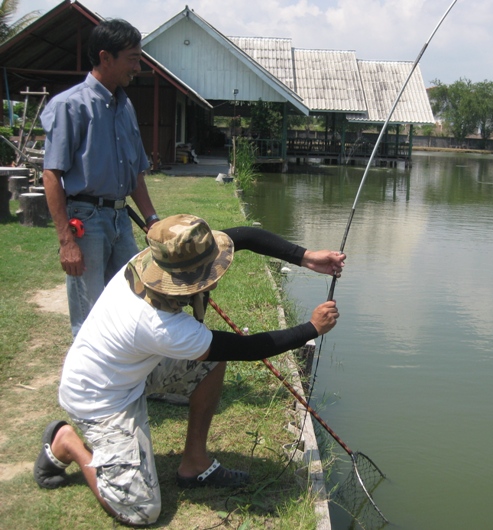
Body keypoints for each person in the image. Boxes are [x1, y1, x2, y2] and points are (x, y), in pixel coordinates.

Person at [33, 214, 345, 525]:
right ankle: (66, 442)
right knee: (141, 511)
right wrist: (311, 328)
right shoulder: (161, 327)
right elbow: (248, 349)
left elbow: (247, 237)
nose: (218, 273)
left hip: (128, 369)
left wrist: (305, 257)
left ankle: (194, 463)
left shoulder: (158, 259)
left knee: (208, 362)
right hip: (99, 398)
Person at [41, 19, 159, 337]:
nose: (138, 66)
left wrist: (151, 218)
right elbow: (51, 175)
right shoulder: (71, 106)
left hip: (120, 219)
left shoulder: (125, 106)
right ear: (106, 57)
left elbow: (135, 172)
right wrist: (67, 241)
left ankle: (124, 375)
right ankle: (86, 383)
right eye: (132, 58)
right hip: (86, 220)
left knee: (134, 297)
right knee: (89, 311)